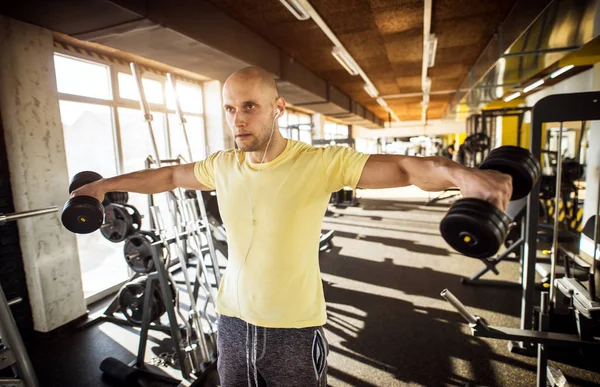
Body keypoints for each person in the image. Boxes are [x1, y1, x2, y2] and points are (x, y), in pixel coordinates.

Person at [72, 66, 512, 386]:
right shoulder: (222, 166)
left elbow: (401, 168)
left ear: (277, 108)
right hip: (230, 321)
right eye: (229, 108)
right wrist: (102, 188)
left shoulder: (319, 163)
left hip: (293, 329)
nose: (238, 119)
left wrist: (457, 174)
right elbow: (167, 177)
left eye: (249, 106)